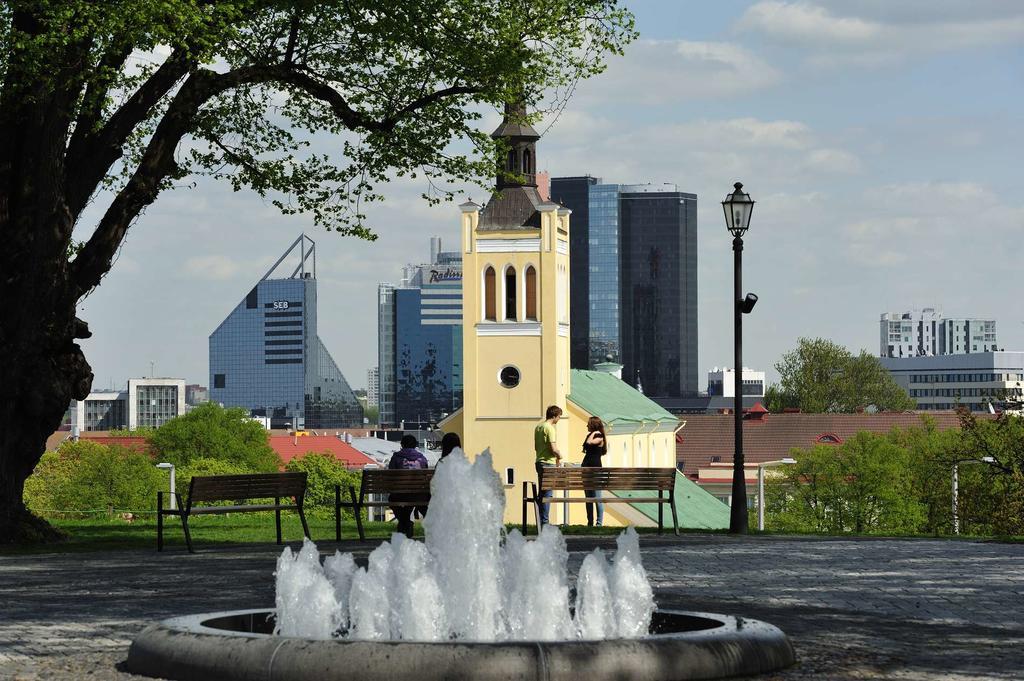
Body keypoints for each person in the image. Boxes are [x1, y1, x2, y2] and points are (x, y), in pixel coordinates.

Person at [388, 434, 429, 537]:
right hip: (419, 495)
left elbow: (391, 476)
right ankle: (405, 523)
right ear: (415, 445)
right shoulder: (422, 458)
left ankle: (404, 522)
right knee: (413, 501)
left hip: (400, 495)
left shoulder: (396, 457)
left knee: (392, 499)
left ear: (402, 444)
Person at [533, 405, 563, 526]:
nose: (559, 419)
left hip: (539, 461)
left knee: (542, 492)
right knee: (547, 494)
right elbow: (553, 448)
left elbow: (536, 447)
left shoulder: (538, 427)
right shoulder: (549, 428)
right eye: (559, 416)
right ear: (554, 416)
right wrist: (560, 456)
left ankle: (541, 521)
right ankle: (545, 522)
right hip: (548, 463)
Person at [581, 416, 606, 527]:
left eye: (588, 424)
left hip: (595, 470)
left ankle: (599, 523)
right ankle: (590, 522)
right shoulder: (591, 435)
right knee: (589, 498)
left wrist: (594, 432)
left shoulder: (599, 436)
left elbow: (589, 443)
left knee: (597, 497)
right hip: (586, 469)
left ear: (593, 425)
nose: (586, 426)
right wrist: (592, 433)